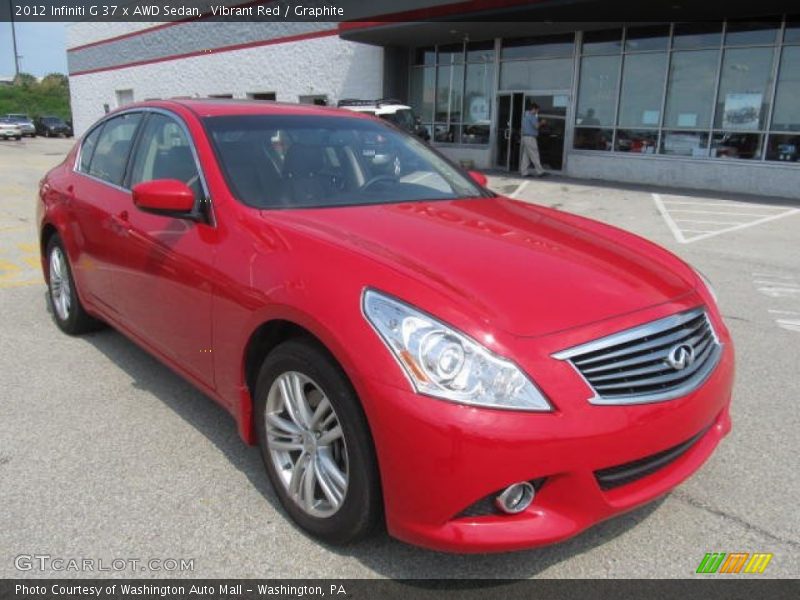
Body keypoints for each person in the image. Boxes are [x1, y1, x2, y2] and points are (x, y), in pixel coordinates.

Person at [520, 103, 546, 178]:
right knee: (535, 154)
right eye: (537, 110)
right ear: (534, 109)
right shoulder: (532, 116)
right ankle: (540, 171)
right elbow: (536, 126)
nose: (537, 112)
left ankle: (524, 172)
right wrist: (542, 122)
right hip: (531, 138)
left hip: (525, 137)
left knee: (526, 156)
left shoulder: (525, 116)